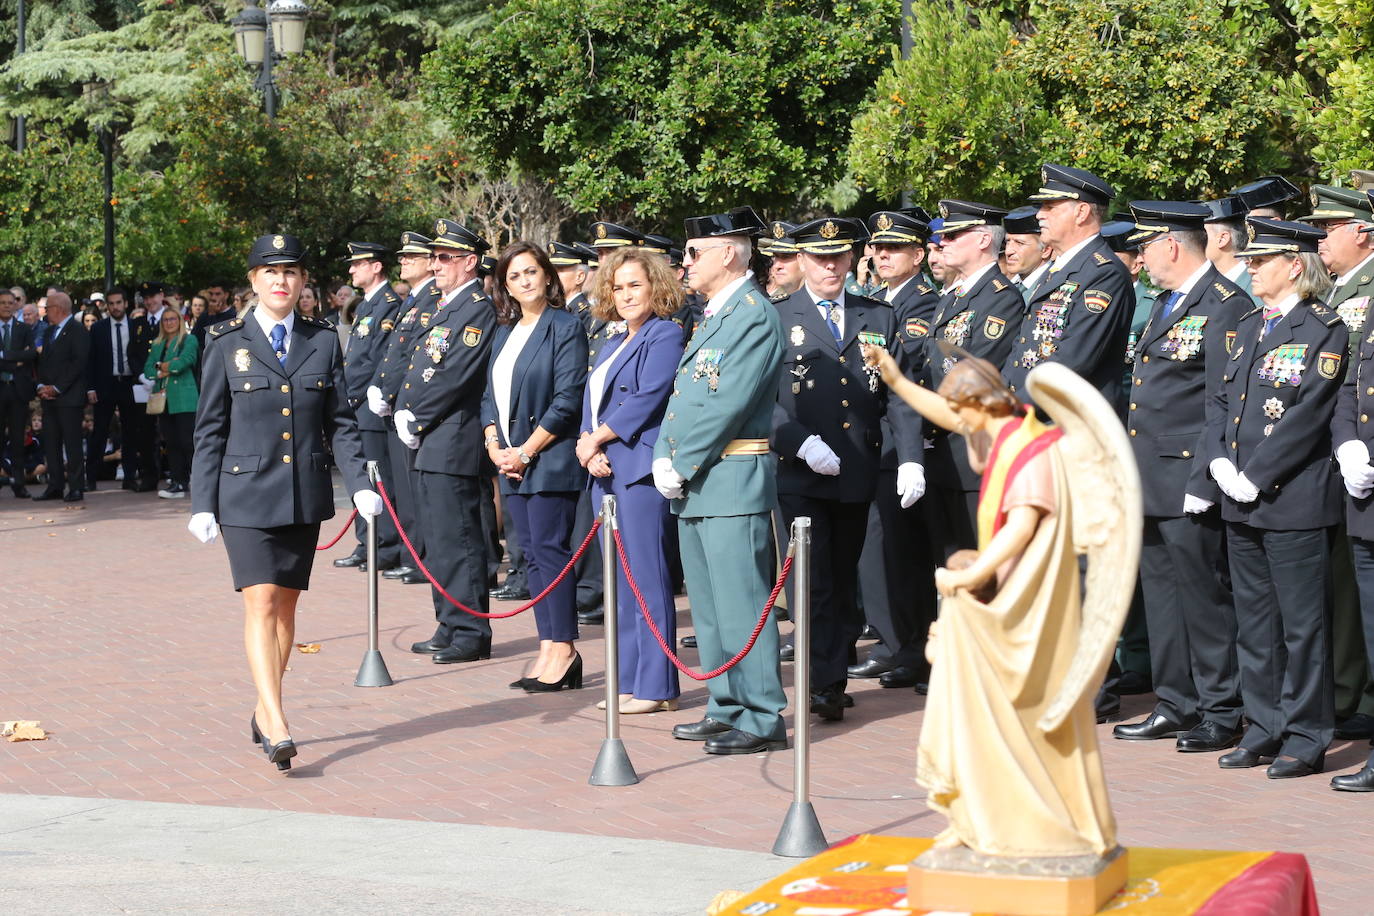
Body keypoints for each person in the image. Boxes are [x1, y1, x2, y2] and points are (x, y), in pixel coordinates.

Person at [189, 233, 380, 772]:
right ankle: (275, 719)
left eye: (291, 272)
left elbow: (339, 421)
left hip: (302, 493)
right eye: (270, 272)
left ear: (302, 284)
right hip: (243, 493)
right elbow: (209, 429)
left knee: (288, 608)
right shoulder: (225, 340)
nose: (281, 281)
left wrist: (361, 482)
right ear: (253, 281)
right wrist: (202, 501)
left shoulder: (322, 340)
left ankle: (262, 703)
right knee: (261, 601)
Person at [1205, 217, 1343, 779]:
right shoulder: (1246, 324)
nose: (1252, 268)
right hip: (1239, 495)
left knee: (1302, 626)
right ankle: (1263, 728)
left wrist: (1257, 474)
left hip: (1291, 496)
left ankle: (1307, 736)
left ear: (1294, 265)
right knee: (1254, 622)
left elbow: (1307, 413)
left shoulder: (1321, 328)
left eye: (1262, 261)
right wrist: (1216, 458)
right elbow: (1220, 398)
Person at [772, 216, 922, 721]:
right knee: (812, 584)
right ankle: (821, 682)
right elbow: (760, 401)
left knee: (842, 581)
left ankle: (832, 677)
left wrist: (910, 460)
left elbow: (898, 395)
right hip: (802, 471)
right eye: (819, 257)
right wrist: (798, 442)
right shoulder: (777, 317)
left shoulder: (876, 315)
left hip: (858, 467)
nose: (830, 266)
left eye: (838, 256)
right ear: (801, 261)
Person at [1110, 201, 1245, 753]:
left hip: (1190, 475)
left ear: (1171, 245)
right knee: (1160, 595)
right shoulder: (1168, 302)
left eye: (1144, 246)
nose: (1140, 258)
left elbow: (1222, 399)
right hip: (1148, 475)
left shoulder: (1224, 305)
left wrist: (1204, 479)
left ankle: (1221, 708)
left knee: (1203, 597)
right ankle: (1175, 702)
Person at [657, 205, 788, 755]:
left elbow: (726, 403)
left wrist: (679, 460)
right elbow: (689, 397)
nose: (684, 263)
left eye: (693, 252)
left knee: (742, 602)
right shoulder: (716, 313)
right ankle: (726, 703)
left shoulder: (753, 314)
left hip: (730, 476)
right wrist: (670, 455)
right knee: (710, 609)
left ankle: (761, 715)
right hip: (703, 480)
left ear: (728, 252)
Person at [578, 246, 686, 712]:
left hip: (638, 469)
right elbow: (594, 400)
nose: (625, 295)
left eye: (634, 284)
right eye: (617, 287)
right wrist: (588, 444)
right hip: (606, 466)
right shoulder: (612, 340)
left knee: (647, 577)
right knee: (619, 582)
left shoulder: (665, 334)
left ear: (656, 286)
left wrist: (596, 438)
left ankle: (657, 686)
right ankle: (627, 680)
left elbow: (648, 396)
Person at [481, 241, 589, 691]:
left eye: (531, 272)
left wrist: (526, 450)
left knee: (550, 553)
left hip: (548, 458)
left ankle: (564, 649)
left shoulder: (565, 327)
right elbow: (489, 395)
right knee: (531, 558)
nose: (525, 282)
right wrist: (493, 444)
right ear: (505, 286)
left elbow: (567, 400)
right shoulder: (505, 331)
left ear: (547, 275)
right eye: (514, 277)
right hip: (510, 461)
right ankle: (547, 646)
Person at [393, 219, 498, 665]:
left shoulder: (476, 307)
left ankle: (471, 629)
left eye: (444, 258)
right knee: (437, 539)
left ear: (469, 263)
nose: (435, 265)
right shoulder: (445, 305)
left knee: (459, 539)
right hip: (431, 439)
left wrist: (415, 414)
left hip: (453, 439)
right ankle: (449, 620)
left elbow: (454, 374)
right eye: (433, 257)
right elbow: (422, 365)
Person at [850, 209, 941, 690]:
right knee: (877, 550)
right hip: (876, 441)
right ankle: (892, 643)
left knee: (901, 553)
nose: (883, 256)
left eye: (896, 249)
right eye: (879, 248)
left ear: (918, 255)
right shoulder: (877, 301)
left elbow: (907, 373)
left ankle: (910, 648)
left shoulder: (920, 303)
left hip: (905, 438)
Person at [1301, 183, 1374, 740]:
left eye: (1329, 229)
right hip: (1331, 451)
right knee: (1341, 582)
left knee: (1355, 585)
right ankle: (1346, 688)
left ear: (1361, 233)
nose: (1320, 241)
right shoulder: (1334, 292)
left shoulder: (1366, 289)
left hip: (1354, 455)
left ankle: (1358, 693)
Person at [1003, 163, 1135, 410]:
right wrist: (1002, 395)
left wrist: (1012, 408)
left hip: (1070, 424)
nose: (1040, 214)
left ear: (1082, 212)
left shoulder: (1104, 273)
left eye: (1050, 207)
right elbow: (1023, 347)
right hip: (1036, 417)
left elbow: (1074, 361)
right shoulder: (1060, 268)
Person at [367, 230, 439, 587]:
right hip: (396, 405)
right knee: (406, 489)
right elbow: (394, 353)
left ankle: (420, 557)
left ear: (430, 262)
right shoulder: (413, 299)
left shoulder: (432, 299)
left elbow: (418, 357)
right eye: (403, 256)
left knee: (416, 489)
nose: (404, 261)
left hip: (414, 407)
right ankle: (415, 555)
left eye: (412, 256)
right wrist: (380, 386)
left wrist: (393, 391)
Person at [334, 242, 405, 574]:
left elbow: (379, 360)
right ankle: (367, 542)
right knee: (363, 476)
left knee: (379, 478)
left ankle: (386, 545)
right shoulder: (365, 306)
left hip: (369, 405)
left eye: (358, 264)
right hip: (356, 403)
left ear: (376, 267)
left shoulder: (389, 304)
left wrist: (355, 395)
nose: (352, 270)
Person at [86, 287, 151, 492]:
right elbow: (91, 360)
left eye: (118, 303)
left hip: (130, 383)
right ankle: (91, 477)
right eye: (111, 303)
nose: (115, 307)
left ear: (125, 304)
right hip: (105, 385)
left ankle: (130, 476)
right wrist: (90, 387)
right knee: (99, 432)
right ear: (107, 305)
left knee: (130, 432)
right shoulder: (98, 328)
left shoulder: (136, 326)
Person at [33, 292, 90, 502]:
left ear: (59, 308)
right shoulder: (48, 332)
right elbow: (43, 363)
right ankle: (55, 485)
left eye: (48, 307)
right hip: (49, 399)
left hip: (69, 398)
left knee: (72, 444)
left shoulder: (77, 331)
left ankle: (76, 487)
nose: (46, 311)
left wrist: (57, 388)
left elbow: (78, 363)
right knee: (51, 443)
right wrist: (41, 385)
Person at [146, 306, 199, 498]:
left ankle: (199, 480)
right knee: (172, 443)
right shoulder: (158, 343)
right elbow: (148, 370)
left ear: (179, 320)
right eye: (165, 320)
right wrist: (164, 368)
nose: (169, 323)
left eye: (172, 319)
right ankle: (178, 482)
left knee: (188, 442)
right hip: (164, 400)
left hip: (185, 399)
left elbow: (184, 362)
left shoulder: (188, 339)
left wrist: (163, 367)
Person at [0, 289, 38, 497]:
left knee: (17, 438)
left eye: (10, 302)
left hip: (17, 391)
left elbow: (31, 353)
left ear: (15, 305)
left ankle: (19, 482)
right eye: (2, 302)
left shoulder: (24, 329)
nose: (6, 306)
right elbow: (22, 357)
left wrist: (5, 356)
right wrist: (17, 360)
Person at [1003, 206, 1051, 300]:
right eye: (1007, 242)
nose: (1008, 251)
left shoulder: (1053, 286)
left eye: (1019, 243)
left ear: (1045, 250)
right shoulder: (1007, 287)